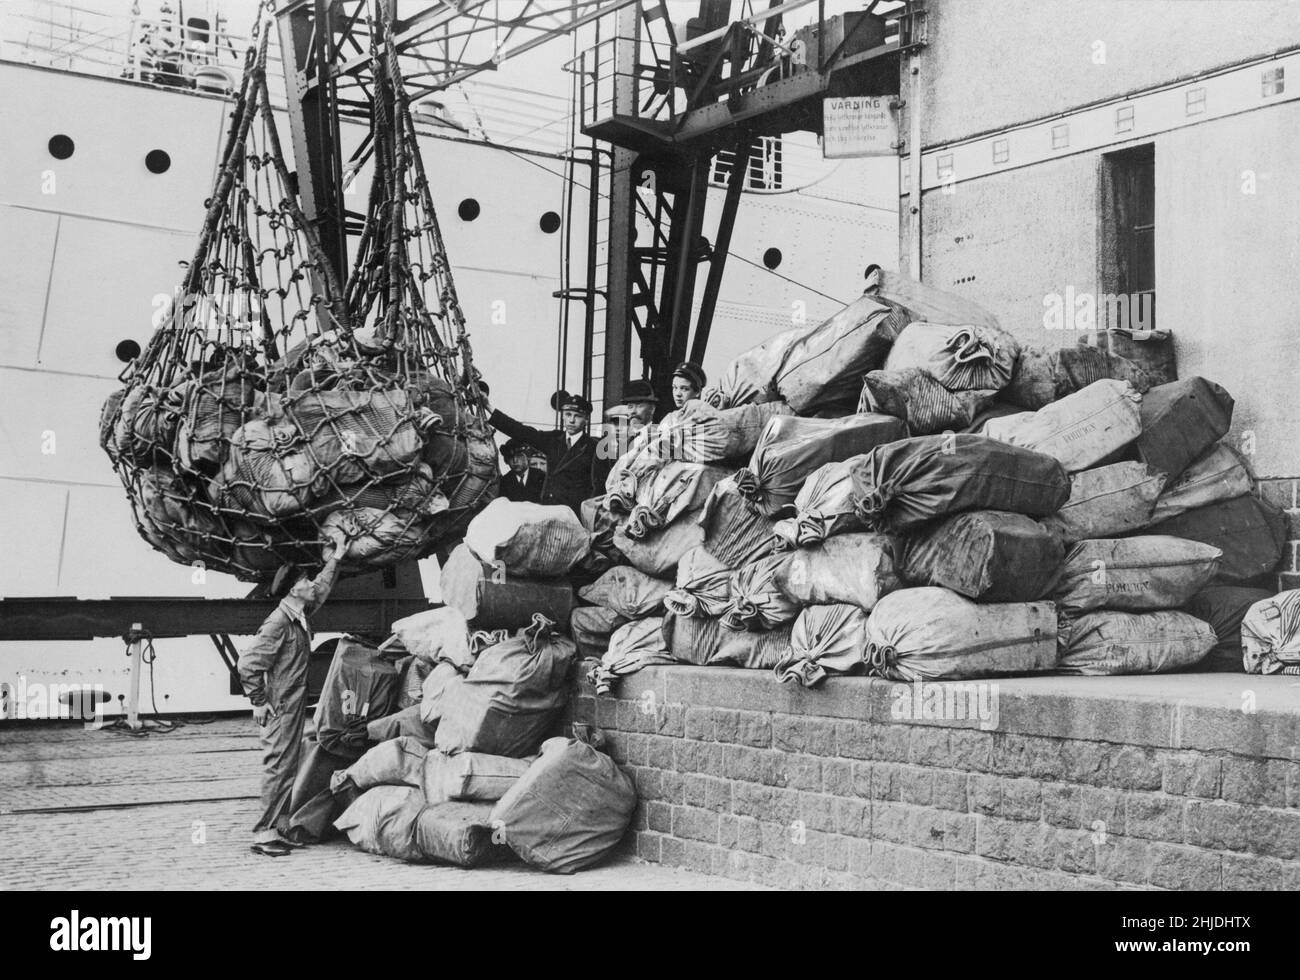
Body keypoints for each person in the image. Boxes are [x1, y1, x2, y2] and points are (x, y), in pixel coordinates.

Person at [238, 526, 349, 858]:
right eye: (303, 581)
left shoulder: (298, 615)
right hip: (280, 705)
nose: (309, 584)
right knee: (278, 766)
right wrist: (258, 701)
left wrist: (338, 556)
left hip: (292, 702)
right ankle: (263, 834)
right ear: (292, 590)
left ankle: (278, 827)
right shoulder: (278, 624)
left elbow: (323, 587)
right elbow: (248, 664)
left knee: (288, 765)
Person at [486, 390, 601, 513]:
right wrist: (488, 406)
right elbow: (521, 431)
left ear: (586, 419)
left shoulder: (594, 447)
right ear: (562, 416)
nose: (571, 420)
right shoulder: (553, 440)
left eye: (577, 416)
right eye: (568, 414)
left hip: (575, 514)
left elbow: (599, 488)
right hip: (548, 509)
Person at [498, 438, 545, 503]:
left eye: (519, 456)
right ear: (506, 461)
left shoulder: (542, 477)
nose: (515, 461)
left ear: (528, 457)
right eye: (510, 457)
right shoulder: (504, 481)